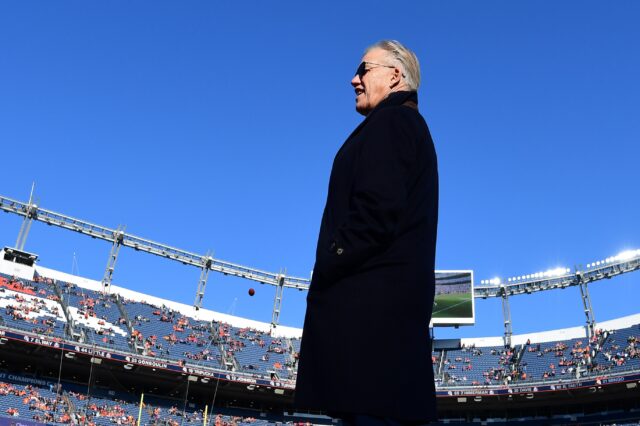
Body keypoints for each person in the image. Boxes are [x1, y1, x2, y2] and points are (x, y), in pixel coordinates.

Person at [294, 40, 439, 424]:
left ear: (394, 76)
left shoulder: (392, 122)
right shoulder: (405, 124)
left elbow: (376, 211)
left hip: (370, 337)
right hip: (381, 341)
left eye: (363, 69)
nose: (353, 79)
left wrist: (331, 258)